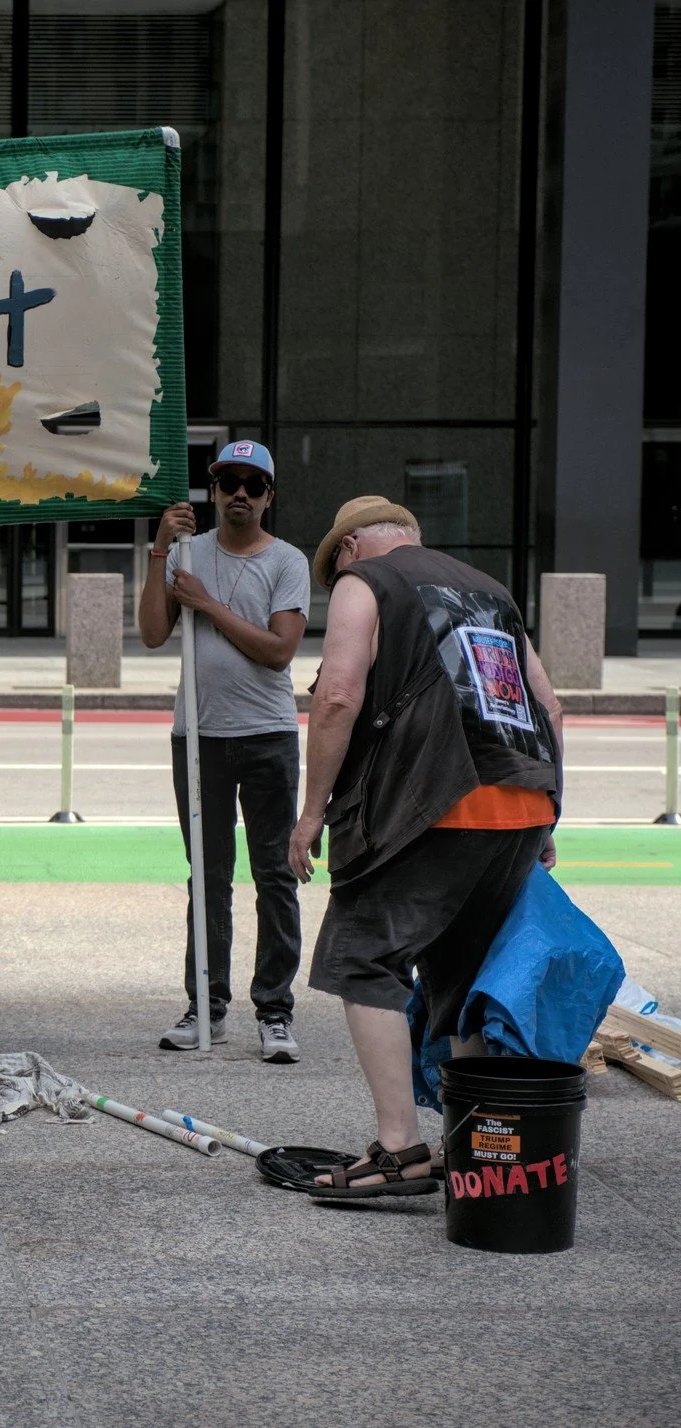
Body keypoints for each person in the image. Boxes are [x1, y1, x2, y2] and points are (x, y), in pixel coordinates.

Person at [290, 496, 562, 1198]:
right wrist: (549, 817)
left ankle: (399, 1147)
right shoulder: (490, 589)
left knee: (363, 956)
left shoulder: (366, 583)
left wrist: (312, 811)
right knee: (461, 976)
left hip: (434, 803)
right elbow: (548, 706)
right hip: (522, 802)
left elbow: (339, 694)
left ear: (349, 547)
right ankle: (474, 1148)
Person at [136, 439, 310, 1062]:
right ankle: (205, 1004)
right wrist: (159, 546)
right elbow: (155, 633)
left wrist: (207, 605)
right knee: (207, 877)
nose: (240, 492)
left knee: (273, 874)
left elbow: (278, 650)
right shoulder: (186, 552)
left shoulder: (287, 561)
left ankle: (275, 1011)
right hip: (199, 738)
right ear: (212, 490)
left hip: (266, 735)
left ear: (268, 497)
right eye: (229, 481)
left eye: (253, 484)